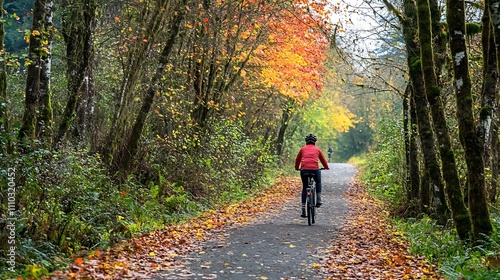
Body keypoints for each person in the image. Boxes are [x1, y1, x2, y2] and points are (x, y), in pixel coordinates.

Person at [295, 134, 329, 218]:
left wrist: (297, 168)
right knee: (318, 181)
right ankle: (318, 198)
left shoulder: (302, 149)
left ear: (306, 141)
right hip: (314, 170)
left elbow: (297, 159)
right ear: (315, 142)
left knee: (304, 187)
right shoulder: (317, 149)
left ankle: (303, 209)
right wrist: (326, 167)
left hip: (304, 170)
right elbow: (323, 159)